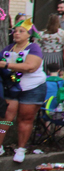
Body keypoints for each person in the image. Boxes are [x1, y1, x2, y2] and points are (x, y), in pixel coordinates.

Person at [0, 18, 48, 162]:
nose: (17, 33)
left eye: (21, 31)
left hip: (32, 88)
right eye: (15, 31)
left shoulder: (33, 48)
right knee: (6, 118)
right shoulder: (8, 49)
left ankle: (21, 149)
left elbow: (30, 66)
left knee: (25, 118)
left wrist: (5, 65)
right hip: (12, 87)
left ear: (29, 35)